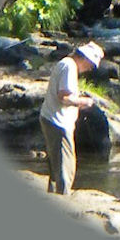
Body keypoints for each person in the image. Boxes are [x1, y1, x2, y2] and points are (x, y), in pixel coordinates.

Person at [39, 41, 104, 195]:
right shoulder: (69, 67)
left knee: (56, 168)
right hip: (58, 123)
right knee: (65, 169)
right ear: (85, 59)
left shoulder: (66, 64)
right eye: (91, 65)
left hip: (52, 119)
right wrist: (84, 102)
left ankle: (54, 196)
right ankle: (63, 201)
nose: (89, 69)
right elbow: (64, 97)